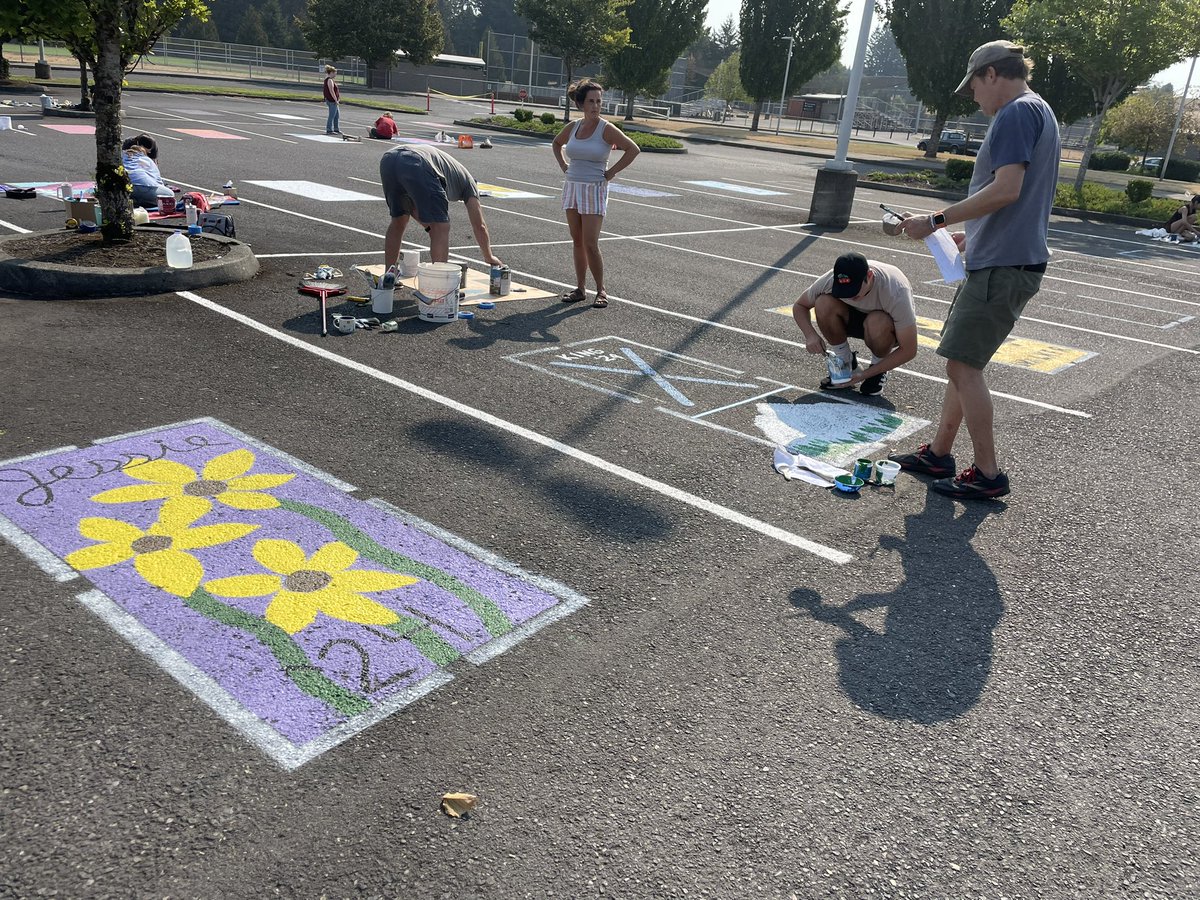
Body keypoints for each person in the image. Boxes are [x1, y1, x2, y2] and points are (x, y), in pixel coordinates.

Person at [893, 40, 1060, 501]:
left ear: (991, 74)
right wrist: (976, 235)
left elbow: (1006, 190)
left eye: (973, 87)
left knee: (963, 366)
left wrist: (936, 220)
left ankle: (988, 473)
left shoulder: (1015, 113)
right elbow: (1016, 199)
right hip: (1004, 257)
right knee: (962, 362)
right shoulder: (1039, 109)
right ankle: (939, 453)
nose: (974, 97)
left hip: (1003, 267)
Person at [551, 79, 640, 309]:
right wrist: (563, 166)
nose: (596, 106)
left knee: (590, 243)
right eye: (591, 101)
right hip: (572, 186)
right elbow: (556, 143)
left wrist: (611, 172)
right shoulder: (573, 127)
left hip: (594, 188)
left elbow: (633, 149)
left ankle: (601, 290)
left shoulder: (605, 128)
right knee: (577, 240)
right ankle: (580, 288)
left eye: (599, 101)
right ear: (581, 104)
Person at [791, 251, 918, 397]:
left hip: (884, 327)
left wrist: (865, 374)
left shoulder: (896, 290)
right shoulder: (830, 279)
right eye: (844, 291)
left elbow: (909, 350)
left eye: (854, 290)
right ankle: (846, 363)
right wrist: (810, 335)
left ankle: (877, 369)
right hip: (851, 318)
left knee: (877, 321)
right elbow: (800, 306)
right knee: (823, 302)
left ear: (869, 276)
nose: (850, 296)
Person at [379, 144, 502, 280]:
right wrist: (489, 256)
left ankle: (389, 277)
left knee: (399, 221)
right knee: (441, 227)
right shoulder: (470, 185)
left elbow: (413, 210)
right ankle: (440, 282)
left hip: (389, 159)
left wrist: (429, 227)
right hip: (418, 161)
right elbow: (480, 226)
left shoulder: (454, 173)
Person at [121, 143, 168, 209]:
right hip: (144, 186)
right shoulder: (146, 159)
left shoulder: (121, 157)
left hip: (125, 186)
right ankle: (143, 201)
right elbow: (158, 181)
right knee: (169, 194)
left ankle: (133, 200)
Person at [323, 65, 341, 135]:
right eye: (334, 73)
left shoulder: (329, 79)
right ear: (331, 73)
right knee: (332, 115)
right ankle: (329, 129)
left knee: (337, 115)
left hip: (332, 100)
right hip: (332, 100)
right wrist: (336, 100)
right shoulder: (329, 80)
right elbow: (331, 91)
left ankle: (336, 129)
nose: (335, 75)